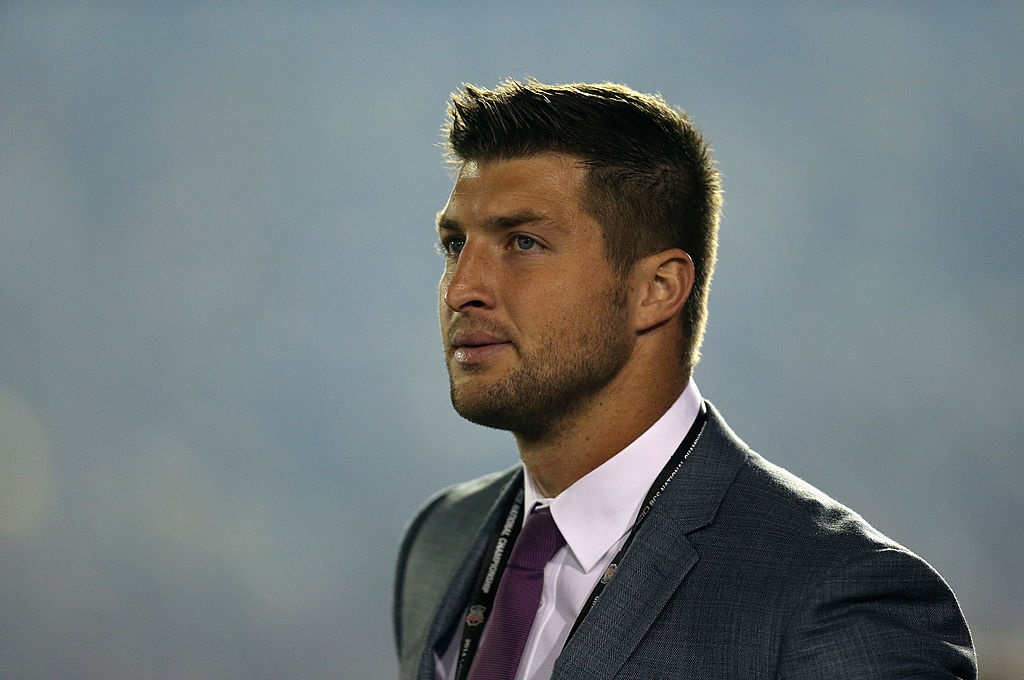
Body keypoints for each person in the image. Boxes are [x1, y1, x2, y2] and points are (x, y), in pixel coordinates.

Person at [393, 79, 976, 680]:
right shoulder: (442, 540)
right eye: (454, 244)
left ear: (658, 290)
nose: (462, 289)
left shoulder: (842, 603)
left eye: (523, 242)